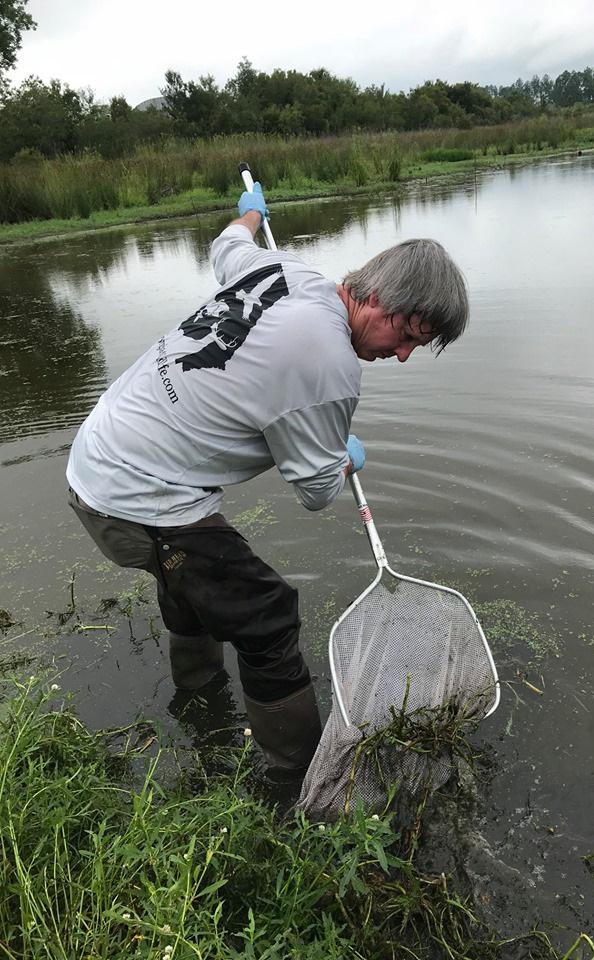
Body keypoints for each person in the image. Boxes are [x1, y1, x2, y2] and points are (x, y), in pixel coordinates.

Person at [66, 183, 469, 783]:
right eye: (405, 335)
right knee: (269, 615)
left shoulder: (285, 267)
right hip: (136, 496)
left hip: (99, 455)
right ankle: (297, 778)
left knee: (190, 574)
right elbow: (314, 492)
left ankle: (200, 701)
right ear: (377, 298)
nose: (404, 355)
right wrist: (345, 458)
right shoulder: (327, 361)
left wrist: (251, 212)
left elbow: (229, 243)